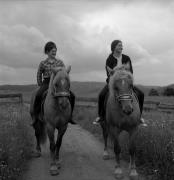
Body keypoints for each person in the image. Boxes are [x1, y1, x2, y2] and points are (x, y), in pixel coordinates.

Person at [93, 40, 147, 126]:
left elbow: (131, 71)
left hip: (125, 82)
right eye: (119, 45)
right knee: (102, 95)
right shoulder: (109, 59)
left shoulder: (126, 58)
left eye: (121, 45)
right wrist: (117, 74)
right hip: (114, 83)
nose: (121, 47)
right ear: (114, 47)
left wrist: (124, 75)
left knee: (141, 94)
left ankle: (139, 117)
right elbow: (109, 73)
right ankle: (101, 116)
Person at [33, 41, 76, 125]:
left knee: (72, 96)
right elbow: (39, 74)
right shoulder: (43, 63)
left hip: (58, 83)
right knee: (38, 95)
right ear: (47, 52)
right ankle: (36, 116)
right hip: (46, 82)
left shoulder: (60, 62)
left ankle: (70, 116)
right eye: (52, 51)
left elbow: (64, 74)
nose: (54, 52)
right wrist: (40, 84)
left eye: (55, 51)